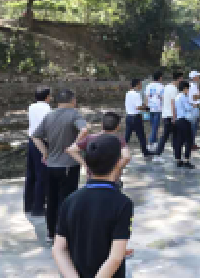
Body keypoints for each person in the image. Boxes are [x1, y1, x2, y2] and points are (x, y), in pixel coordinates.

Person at [52, 134, 133, 278]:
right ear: (118, 162)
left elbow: (59, 249)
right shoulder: (122, 203)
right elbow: (115, 258)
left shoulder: (70, 200)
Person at [31, 89, 88, 245]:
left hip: (51, 166)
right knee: (67, 201)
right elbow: (84, 130)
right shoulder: (74, 114)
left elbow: (35, 136)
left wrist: (45, 153)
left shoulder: (49, 116)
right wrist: (74, 146)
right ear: (73, 100)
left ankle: (51, 234)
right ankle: (65, 236)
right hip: (68, 165)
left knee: (51, 200)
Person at [66, 112, 131, 183]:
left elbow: (70, 150)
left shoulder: (90, 138)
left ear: (102, 124)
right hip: (112, 178)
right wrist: (116, 168)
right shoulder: (119, 140)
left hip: (92, 177)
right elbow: (126, 157)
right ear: (118, 126)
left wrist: (86, 165)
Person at [25, 88, 52, 216]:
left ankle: (28, 205)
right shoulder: (47, 109)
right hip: (41, 142)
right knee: (42, 175)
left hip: (31, 141)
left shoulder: (31, 107)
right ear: (47, 97)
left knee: (31, 174)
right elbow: (47, 127)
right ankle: (38, 208)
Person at [154, 71, 184, 162]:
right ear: (179, 78)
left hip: (166, 114)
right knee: (166, 136)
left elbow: (163, 99)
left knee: (174, 136)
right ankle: (158, 154)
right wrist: (175, 117)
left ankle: (177, 155)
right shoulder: (174, 89)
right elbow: (173, 103)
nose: (182, 80)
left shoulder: (166, 87)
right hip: (171, 116)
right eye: (182, 78)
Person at [124, 78, 151, 157]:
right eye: (140, 84)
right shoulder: (136, 94)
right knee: (141, 136)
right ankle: (145, 152)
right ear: (137, 84)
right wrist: (146, 108)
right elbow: (138, 107)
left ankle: (120, 151)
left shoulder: (128, 93)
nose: (141, 86)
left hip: (129, 117)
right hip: (136, 118)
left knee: (127, 136)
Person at [173, 79, 197, 169]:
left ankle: (178, 160)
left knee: (179, 141)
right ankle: (186, 160)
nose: (188, 90)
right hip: (185, 120)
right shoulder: (183, 97)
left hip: (178, 120)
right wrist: (194, 105)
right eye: (188, 89)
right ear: (185, 88)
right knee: (188, 141)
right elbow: (187, 108)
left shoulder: (177, 97)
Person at [145, 71, 164, 149]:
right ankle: (150, 143)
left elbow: (146, 97)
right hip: (157, 109)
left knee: (153, 126)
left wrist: (146, 107)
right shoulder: (161, 86)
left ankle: (155, 142)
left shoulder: (148, 86)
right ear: (160, 78)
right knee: (155, 127)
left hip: (150, 108)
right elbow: (162, 97)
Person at [188, 70, 200, 150]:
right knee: (193, 127)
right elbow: (194, 97)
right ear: (194, 77)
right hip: (194, 108)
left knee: (192, 127)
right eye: (197, 76)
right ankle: (191, 144)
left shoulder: (191, 85)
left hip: (193, 107)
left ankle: (190, 143)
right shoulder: (193, 86)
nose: (199, 77)